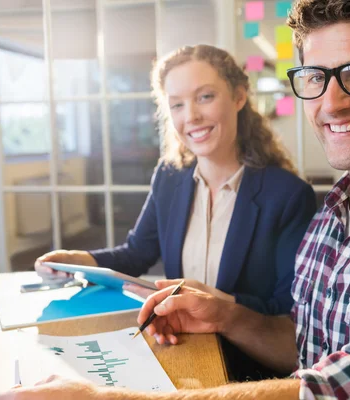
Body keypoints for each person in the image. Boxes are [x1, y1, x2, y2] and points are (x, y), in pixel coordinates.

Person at [0, 0, 350, 399]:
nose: (332, 103)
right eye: (316, 78)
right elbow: (306, 347)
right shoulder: (333, 213)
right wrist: (224, 315)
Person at [34, 45, 317, 380]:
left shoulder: (288, 195)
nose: (191, 116)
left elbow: (286, 314)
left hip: (250, 366)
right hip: (181, 350)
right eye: (177, 105)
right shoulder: (169, 177)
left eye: (205, 97)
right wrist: (79, 260)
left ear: (239, 97)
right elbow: (137, 253)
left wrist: (212, 300)